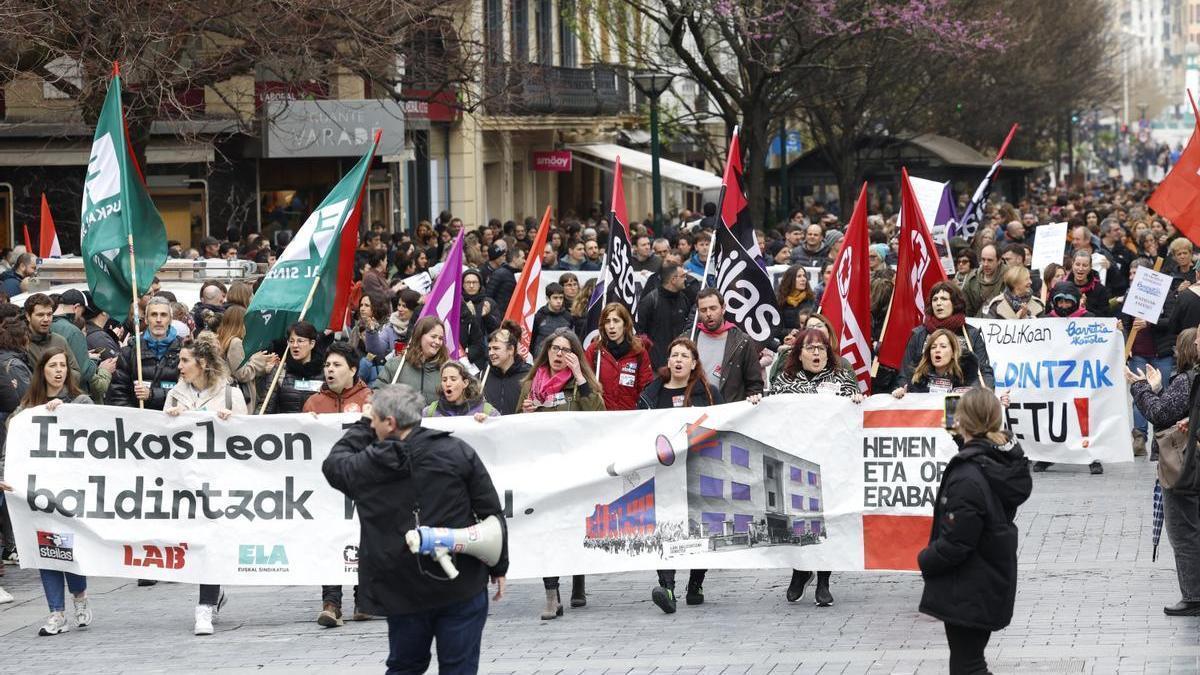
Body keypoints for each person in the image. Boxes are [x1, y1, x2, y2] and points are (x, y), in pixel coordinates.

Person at [322, 385, 509, 673]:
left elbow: (334, 464)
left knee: (405, 667)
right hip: (462, 582)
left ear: (390, 423)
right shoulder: (457, 450)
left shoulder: (367, 464)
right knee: (460, 668)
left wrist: (362, 424)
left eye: (375, 419)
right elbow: (490, 512)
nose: (371, 424)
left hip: (403, 588)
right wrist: (499, 567)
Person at [919, 388, 1031, 675]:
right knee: (970, 663)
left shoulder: (968, 474)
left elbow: (958, 540)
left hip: (969, 584)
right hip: (985, 578)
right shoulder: (995, 460)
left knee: (967, 667)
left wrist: (927, 559)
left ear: (964, 421)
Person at [161, 334, 247, 635]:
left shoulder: (229, 395)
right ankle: (212, 595)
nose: (179, 366)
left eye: (185, 361)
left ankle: (205, 606)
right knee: (196, 542)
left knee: (211, 540)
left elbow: (248, 439)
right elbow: (161, 441)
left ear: (203, 363)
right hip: (186, 481)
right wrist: (170, 419)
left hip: (218, 481)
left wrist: (230, 422)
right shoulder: (174, 395)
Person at [769, 328, 862, 607]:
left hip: (832, 462)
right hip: (797, 461)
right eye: (811, 349)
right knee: (798, 519)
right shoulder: (786, 382)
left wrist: (856, 402)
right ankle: (800, 570)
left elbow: (854, 417)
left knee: (828, 521)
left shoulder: (842, 379)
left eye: (822, 348)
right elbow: (770, 415)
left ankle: (823, 581)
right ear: (799, 354)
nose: (817, 353)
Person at [518, 328, 604, 619]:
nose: (558, 355)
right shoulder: (531, 384)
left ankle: (578, 576)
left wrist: (580, 376)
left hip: (574, 469)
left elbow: (598, 417)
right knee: (547, 529)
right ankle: (551, 594)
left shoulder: (582, 385)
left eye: (566, 350)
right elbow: (514, 426)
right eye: (554, 348)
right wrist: (525, 414)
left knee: (573, 527)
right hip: (542, 469)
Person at [10, 348, 95, 636]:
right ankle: (56, 613)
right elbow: (14, 442)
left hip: (71, 489)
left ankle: (80, 598)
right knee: (47, 550)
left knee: (68, 548)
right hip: (38, 492)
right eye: (52, 366)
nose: (59, 371)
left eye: (63, 366)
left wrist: (67, 413)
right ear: (42, 371)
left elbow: (97, 434)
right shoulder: (27, 406)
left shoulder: (80, 400)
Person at [637, 338, 722, 613]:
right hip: (665, 476)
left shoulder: (709, 393)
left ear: (694, 362)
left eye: (684, 355)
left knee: (702, 528)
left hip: (700, 470)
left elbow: (725, 423)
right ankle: (668, 588)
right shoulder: (653, 393)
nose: (678, 360)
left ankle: (696, 583)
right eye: (674, 355)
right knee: (666, 529)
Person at [1127, 328, 1200, 616]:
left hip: (1187, 466)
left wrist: (1141, 388)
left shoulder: (1187, 380)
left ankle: (1194, 595)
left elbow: (1159, 414)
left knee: (1184, 532)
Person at [301, 341, 372, 628]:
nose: (330, 370)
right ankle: (331, 603)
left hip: (360, 485)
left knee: (361, 539)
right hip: (325, 488)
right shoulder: (313, 403)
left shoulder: (370, 399)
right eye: (327, 365)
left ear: (353, 370)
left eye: (337, 365)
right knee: (328, 539)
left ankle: (363, 599)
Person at [1122, 258, 1178, 457]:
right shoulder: (1130, 294)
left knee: (1161, 396)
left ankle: (1158, 440)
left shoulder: (1167, 295)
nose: (1131, 277)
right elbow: (1127, 323)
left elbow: (1171, 321)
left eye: (1135, 273)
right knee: (1139, 394)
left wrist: (1150, 322)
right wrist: (1126, 343)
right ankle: (1139, 437)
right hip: (1138, 353)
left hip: (1160, 354)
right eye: (1130, 273)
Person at [897, 283, 994, 391]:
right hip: (924, 400)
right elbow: (905, 374)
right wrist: (903, 389)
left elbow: (984, 372)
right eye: (935, 299)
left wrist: (985, 391)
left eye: (944, 299)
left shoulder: (971, 334)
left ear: (955, 303)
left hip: (963, 400)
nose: (938, 303)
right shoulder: (918, 335)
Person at [105, 296, 183, 411]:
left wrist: (152, 394)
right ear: (146, 319)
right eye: (154, 315)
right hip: (137, 424)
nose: (158, 320)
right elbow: (118, 393)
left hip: (173, 421)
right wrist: (135, 419)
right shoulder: (130, 351)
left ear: (171, 319)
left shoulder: (184, 352)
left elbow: (188, 394)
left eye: (163, 315)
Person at [693, 289, 764, 404]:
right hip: (695, 410)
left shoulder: (742, 341)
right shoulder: (689, 339)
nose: (708, 314)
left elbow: (754, 383)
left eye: (713, 308)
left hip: (729, 412)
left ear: (723, 308)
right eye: (703, 310)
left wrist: (753, 402)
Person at [585, 303, 655, 411]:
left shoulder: (639, 352)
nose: (611, 326)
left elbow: (646, 389)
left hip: (630, 416)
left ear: (625, 324)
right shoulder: (594, 350)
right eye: (607, 321)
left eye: (616, 321)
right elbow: (586, 385)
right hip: (601, 414)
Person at [216, 305, 278, 413]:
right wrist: (257, 360)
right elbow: (242, 374)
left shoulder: (221, 339)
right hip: (239, 397)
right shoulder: (236, 342)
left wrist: (263, 367)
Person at [374, 316, 449, 403]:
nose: (437, 342)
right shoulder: (395, 365)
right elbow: (377, 394)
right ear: (420, 336)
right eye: (433, 336)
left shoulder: (446, 370)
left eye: (440, 338)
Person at [256, 321, 325, 414]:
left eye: (300, 341)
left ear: (312, 343)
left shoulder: (325, 372)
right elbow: (266, 407)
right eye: (291, 341)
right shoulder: (280, 371)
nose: (295, 345)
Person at [637, 263, 695, 369]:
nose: (686, 279)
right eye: (683, 276)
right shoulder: (650, 301)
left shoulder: (684, 299)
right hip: (655, 366)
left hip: (678, 364)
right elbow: (640, 333)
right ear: (673, 280)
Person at [892, 329, 979, 396]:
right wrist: (901, 394)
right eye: (933, 347)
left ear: (953, 353)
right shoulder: (916, 381)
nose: (937, 350)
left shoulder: (966, 381)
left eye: (943, 346)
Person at [24, 294, 82, 386]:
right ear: (28, 316)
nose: (46, 319)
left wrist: (58, 374)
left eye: (49, 314)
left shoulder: (60, 341)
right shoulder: (21, 343)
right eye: (40, 315)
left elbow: (76, 375)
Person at [482, 322, 531, 415]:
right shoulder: (482, 377)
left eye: (496, 348)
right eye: (489, 349)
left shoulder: (530, 374)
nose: (491, 353)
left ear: (511, 350)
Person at [424, 361, 500, 420]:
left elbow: (501, 432)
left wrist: (489, 422)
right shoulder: (429, 412)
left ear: (465, 383)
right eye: (444, 380)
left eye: (453, 379)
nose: (448, 384)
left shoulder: (486, 411)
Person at [530, 283, 574, 357]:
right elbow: (532, 339)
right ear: (547, 298)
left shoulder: (568, 317)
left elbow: (572, 339)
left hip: (561, 357)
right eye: (555, 298)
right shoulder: (539, 316)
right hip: (541, 358)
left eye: (561, 298)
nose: (559, 301)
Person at [774, 265, 817, 340]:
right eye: (799, 276)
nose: (803, 279)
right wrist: (789, 332)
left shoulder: (811, 299)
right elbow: (776, 330)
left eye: (804, 276)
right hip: (788, 343)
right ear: (790, 280)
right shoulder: (780, 301)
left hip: (808, 340)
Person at [963, 244, 1007, 317]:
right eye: (983, 259)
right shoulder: (972, 279)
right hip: (977, 322)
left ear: (999, 261)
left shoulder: (1010, 278)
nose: (985, 264)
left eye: (990, 260)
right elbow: (967, 309)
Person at [1066, 249, 1111, 317]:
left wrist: (1085, 306)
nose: (1080, 268)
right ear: (1072, 265)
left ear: (1090, 267)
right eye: (1077, 264)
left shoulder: (1100, 290)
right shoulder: (1063, 287)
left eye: (1085, 265)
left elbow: (1105, 317)